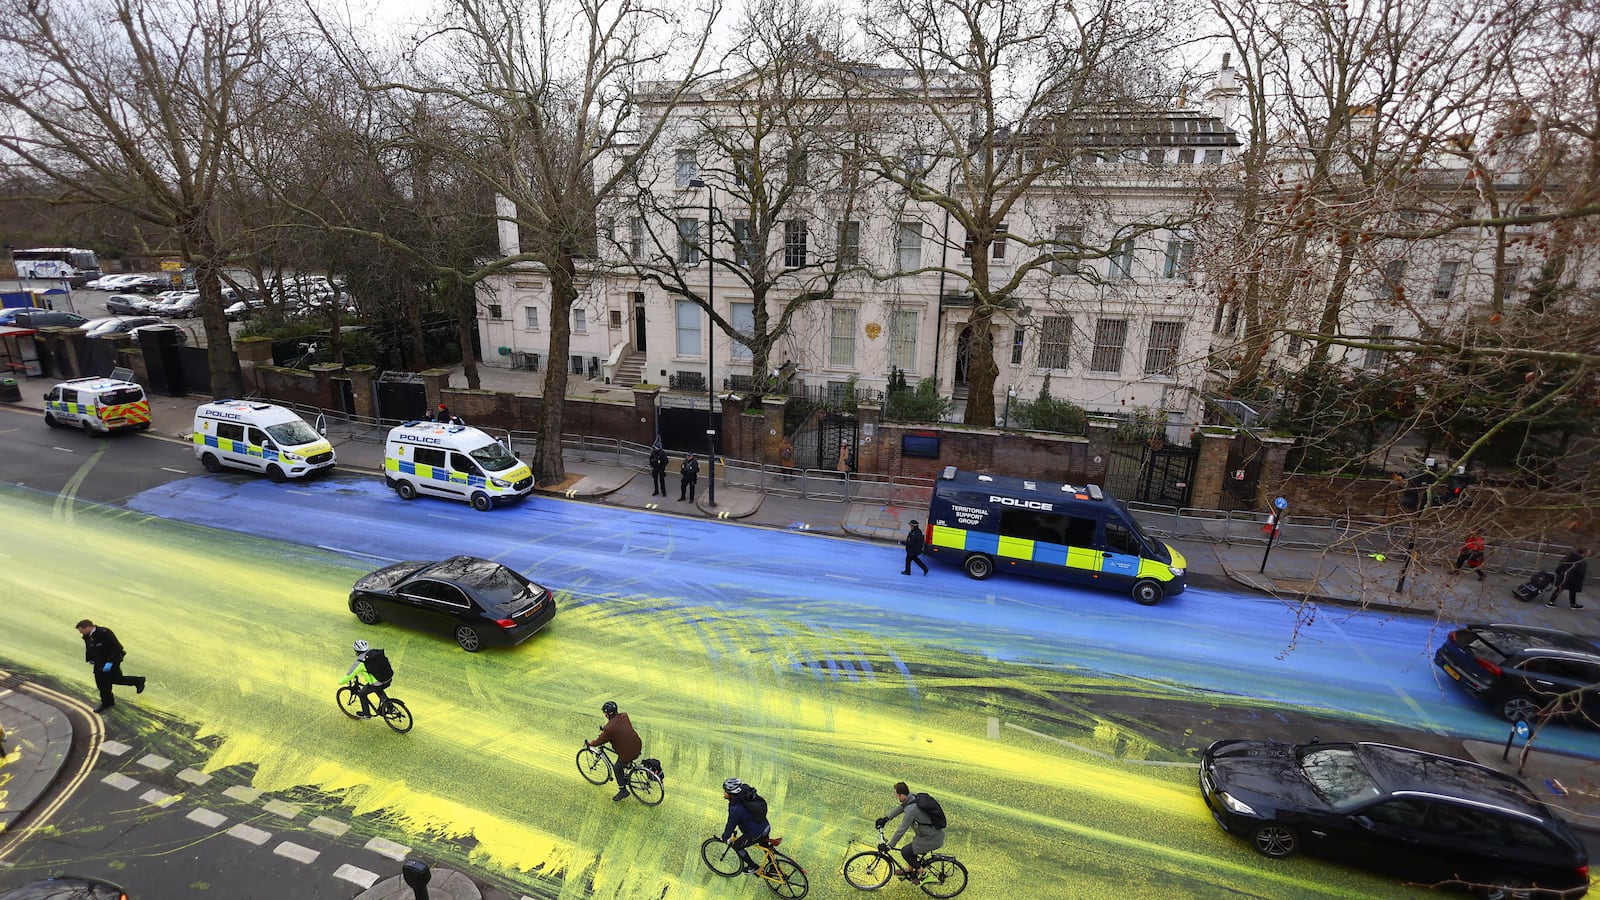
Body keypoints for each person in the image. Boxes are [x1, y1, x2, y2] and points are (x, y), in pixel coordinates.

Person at [875, 782, 945, 884]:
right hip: (926, 835)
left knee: (906, 852)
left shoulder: (912, 810)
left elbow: (902, 829)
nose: (895, 797)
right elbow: (901, 808)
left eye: (896, 795)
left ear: (901, 795)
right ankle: (909, 871)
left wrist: (890, 845)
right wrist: (886, 819)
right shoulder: (911, 798)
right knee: (911, 850)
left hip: (931, 838)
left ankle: (925, 875)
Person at [76, 619, 145, 713]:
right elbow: (89, 647)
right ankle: (107, 702)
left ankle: (138, 680)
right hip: (99, 661)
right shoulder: (87, 635)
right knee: (101, 682)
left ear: (88, 627)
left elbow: (116, 647)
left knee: (116, 679)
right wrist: (90, 658)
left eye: (81, 630)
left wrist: (110, 662)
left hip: (112, 659)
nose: (80, 632)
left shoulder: (105, 632)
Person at [587, 700, 642, 801]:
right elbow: (618, 727)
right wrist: (605, 730)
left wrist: (590, 744)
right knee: (624, 760)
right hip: (637, 745)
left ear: (608, 714)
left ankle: (623, 791)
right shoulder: (624, 716)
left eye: (604, 713)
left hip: (628, 753)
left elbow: (600, 740)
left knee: (617, 768)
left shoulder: (609, 729)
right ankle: (628, 768)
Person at [719, 778, 772, 875]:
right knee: (764, 845)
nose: (724, 793)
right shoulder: (745, 792)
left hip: (756, 833)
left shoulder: (735, 809)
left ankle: (752, 866)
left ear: (731, 794)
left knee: (737, 846)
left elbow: (730, 825)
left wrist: (725, 837)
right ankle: (773, 866)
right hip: (765, 826)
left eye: (725, 791)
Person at [340, 639, 393, 719]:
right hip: (387, 678)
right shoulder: (375, 653)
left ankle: (366, 714)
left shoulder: (361, 661)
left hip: (377, 683)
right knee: (379, 689)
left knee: (362, 693)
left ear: (356, 651)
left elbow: (349, 675)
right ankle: (390, 707)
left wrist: (340, 682)